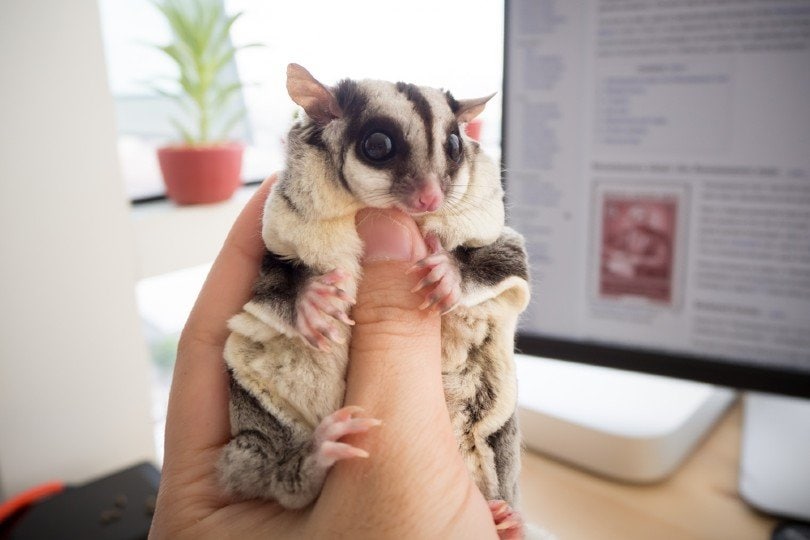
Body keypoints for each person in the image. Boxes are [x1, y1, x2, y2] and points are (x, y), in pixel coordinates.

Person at [148, 176, 501, 538]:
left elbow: (499, 273)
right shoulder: (302, 220)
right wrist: (303, 298)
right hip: (287, 436)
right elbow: (273, 282)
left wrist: (454, 272)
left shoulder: (469, 211)